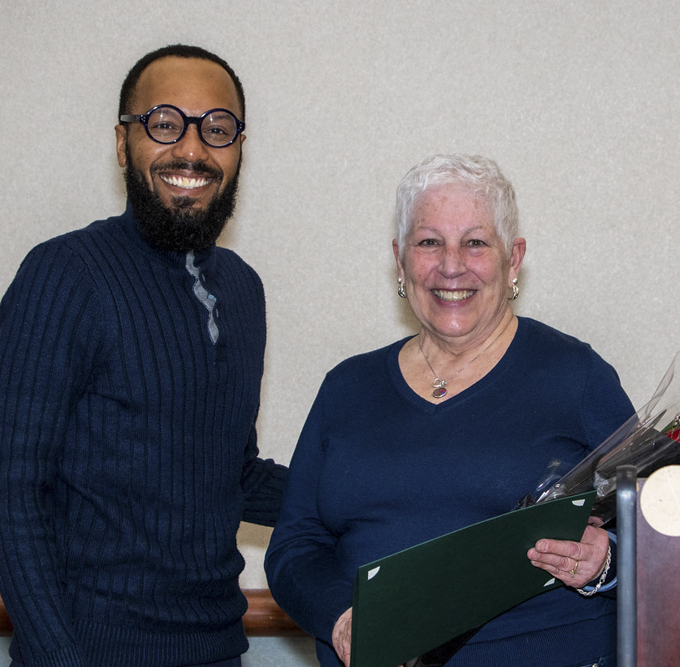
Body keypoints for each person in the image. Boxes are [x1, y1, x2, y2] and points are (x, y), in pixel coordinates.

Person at [0, 44, 287, 667]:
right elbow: (9, 496)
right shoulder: (65, 275)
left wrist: (380, 490)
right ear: (123, 144)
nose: (193, 150)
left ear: (240, 149)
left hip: (220, 646)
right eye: (165, 123)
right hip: (92, 651)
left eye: (217, 128)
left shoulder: (243, 290)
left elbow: (230, 474)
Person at [265, 154, 634, 667]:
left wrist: (605, 561)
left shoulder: (576, 376)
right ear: (400, 259)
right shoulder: (347, 388)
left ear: (514, 259)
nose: (451, 265)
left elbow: (659, 532)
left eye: (475, 242)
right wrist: (343, 619)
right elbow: (295, 548)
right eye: (429, 242)